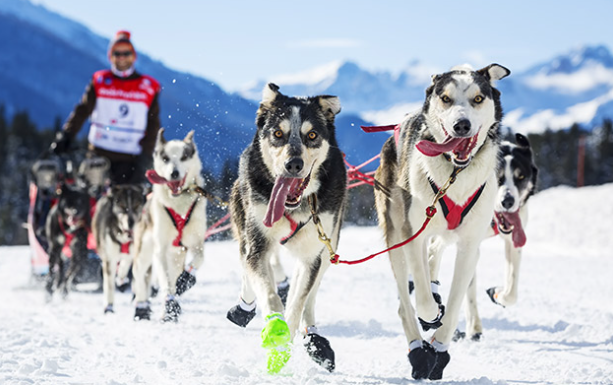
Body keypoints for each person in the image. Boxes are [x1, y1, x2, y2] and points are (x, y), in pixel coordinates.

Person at [51, 30, 161, 185]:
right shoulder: (100, 81)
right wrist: (66, 135)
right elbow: (83, 110)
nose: (122, 58)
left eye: (126, 53)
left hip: (131, 160)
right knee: (89, 204)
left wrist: (147, 155)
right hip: (98, 154)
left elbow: (153, 123)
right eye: (117, 53)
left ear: (134, 56)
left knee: (126, 207)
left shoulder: (148, 87)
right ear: (111, 56)